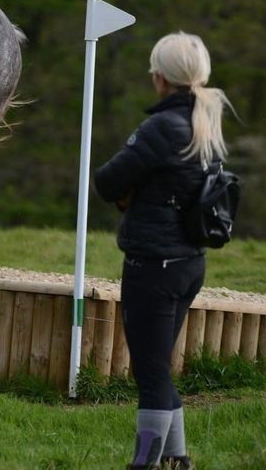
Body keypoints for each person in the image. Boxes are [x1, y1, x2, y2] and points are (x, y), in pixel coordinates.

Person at [93, 32, 234, 470]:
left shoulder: (160, 126)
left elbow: (106, 182)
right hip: (190, 263)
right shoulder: (205, 120)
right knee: (157, 368)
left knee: (150, 374)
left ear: (160, 79)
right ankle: (177, 460)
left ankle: (144, 463)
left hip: (153, 266)